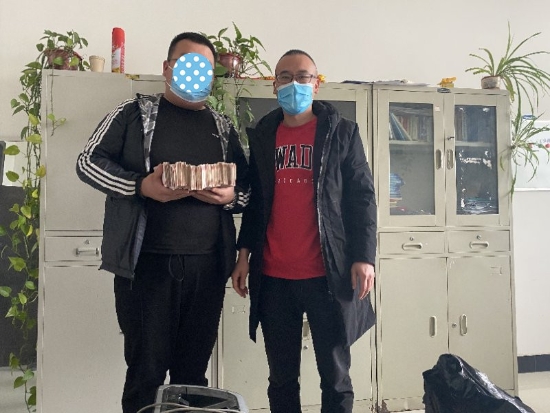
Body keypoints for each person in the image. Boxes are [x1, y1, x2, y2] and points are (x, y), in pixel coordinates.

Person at [76, 32, 249, 413]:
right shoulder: (134, 113)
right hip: (145, 268)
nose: (195, 73)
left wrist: (229, 197)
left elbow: (249, 191)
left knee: (193, 376)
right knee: (145, 373)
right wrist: (140, 186)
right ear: (167, 68)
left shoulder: (222, 127)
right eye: (187, 64)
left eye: (204, 68)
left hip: (207, 268)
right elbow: (87, 162)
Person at [231, 49, 377, 413]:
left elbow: (362, 198)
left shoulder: (342, 133)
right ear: (274, 83)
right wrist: (244, 255)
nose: (293, 83)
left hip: (328, 274)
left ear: (316, 83)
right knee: (281, 379)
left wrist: (364, 257)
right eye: (285, 76)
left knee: (336, 378)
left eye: (302, 76)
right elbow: (256, 203)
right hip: (274, 277)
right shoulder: (263, 135)